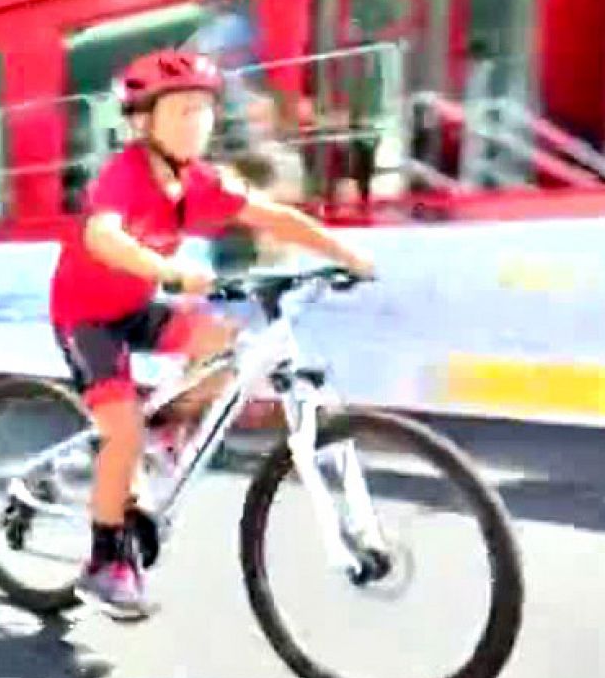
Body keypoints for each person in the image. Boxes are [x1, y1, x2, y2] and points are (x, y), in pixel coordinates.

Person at [51, 49, 373, 619]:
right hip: (85, 316)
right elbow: (104, 237)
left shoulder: (199, 181)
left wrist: (346, 253)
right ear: (143, 123)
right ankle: (106, 563)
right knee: (121, 431)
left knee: (224, 344)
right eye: (181, 112)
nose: (196, 123)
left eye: (203, 111)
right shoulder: (122, 176)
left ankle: (162, 435)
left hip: (136, 304)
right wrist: (168, 270)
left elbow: (275, 217)